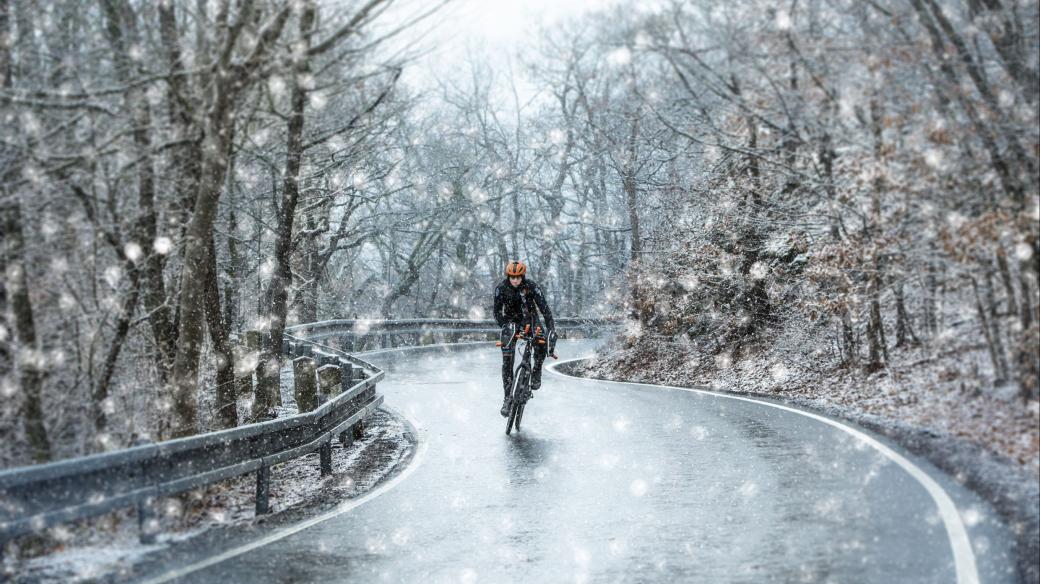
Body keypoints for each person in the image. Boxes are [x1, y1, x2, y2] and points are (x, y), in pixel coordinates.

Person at [493, 260, 555, 417]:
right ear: (508, 276)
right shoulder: (500, 289)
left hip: (531, 320)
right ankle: (508, 397)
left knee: (540, 342)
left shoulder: (532, 287)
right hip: (510, 321)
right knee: (507, 360)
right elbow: (496, 312)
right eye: (512, 277)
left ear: (523, 276)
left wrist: (551, 330)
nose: (515, 280)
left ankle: (537, 370)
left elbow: (545, 310)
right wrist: (505, 326)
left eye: (518, 277)